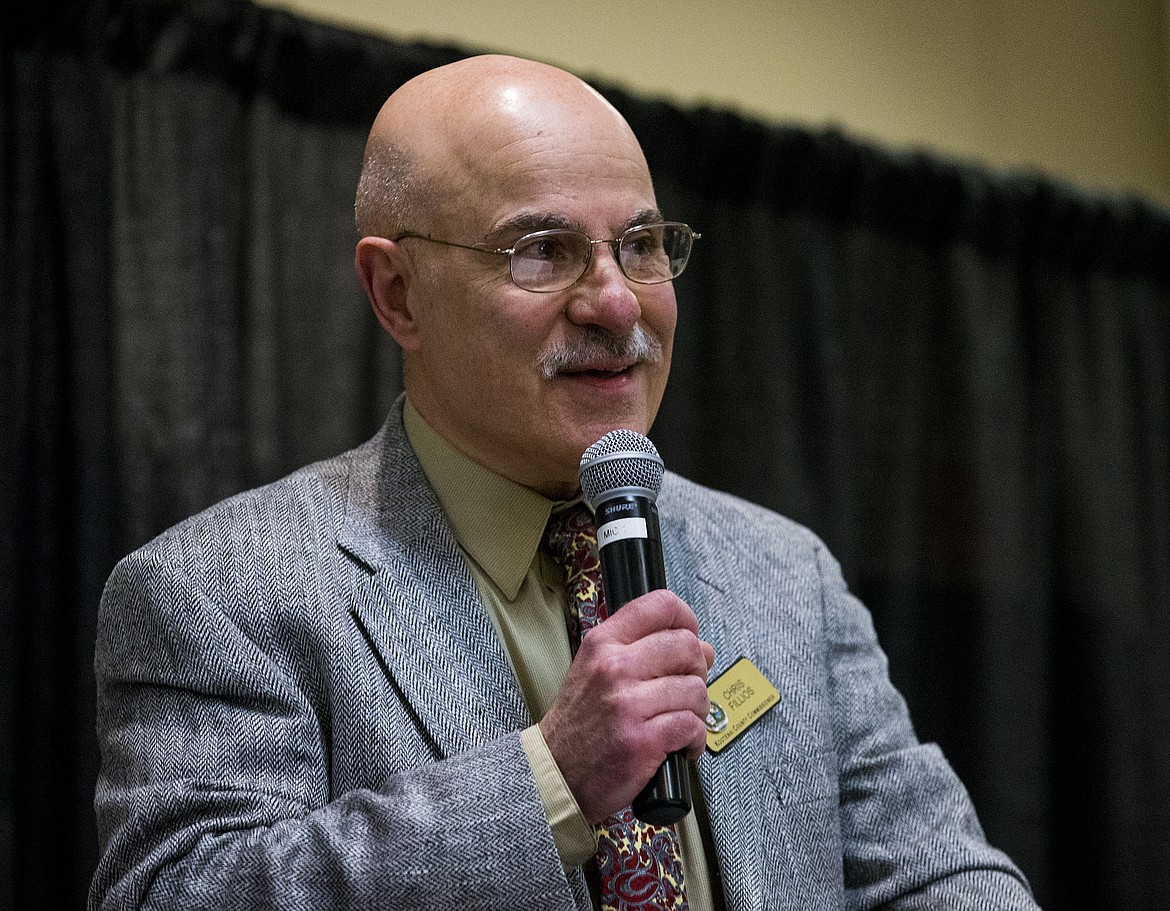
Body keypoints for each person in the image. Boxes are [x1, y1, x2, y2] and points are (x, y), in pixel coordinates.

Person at [90, 54, 1040, 910]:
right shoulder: (219, 590)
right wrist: (552, 779)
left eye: (641, 244)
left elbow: (933, 873)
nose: (616, 300)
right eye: (542, 250)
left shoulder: (783, 571)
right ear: (397, 293)